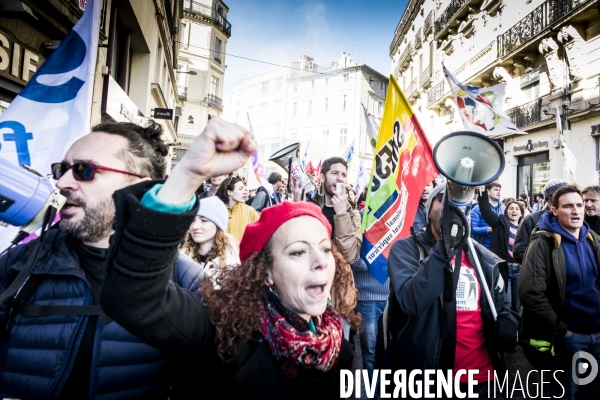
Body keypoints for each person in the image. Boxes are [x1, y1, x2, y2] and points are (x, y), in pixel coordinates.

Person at [98, 118, 360, 397]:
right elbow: (135, 298)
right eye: (297, 251)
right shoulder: (222, 334)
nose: (320, 262)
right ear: (266, 272)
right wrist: (188, 174)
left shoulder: (338, 350)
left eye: (324, 249)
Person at [0, 121, 204, 399]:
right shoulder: (19, 263)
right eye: (61, 170)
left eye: (85, 170)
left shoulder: (185, 281)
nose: (61, 183)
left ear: (140, 186)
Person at [385, 184, 519, 397]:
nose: (453, 206)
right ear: (429, 210)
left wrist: (508, 324)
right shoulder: (406, 249)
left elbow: (501, 305)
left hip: (484, 380)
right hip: (432, 382)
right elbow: (411, 300)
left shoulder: (481, 256)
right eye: (445, 199)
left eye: (460, 201)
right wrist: (444, 247)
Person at [520, 185, 600, 399]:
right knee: (564, 392)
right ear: (554, 210)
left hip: (597, 333)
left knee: (592, 390)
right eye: (567, 206)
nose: (576, 211)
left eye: (579, 205)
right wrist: (562, 329)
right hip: (569, 337)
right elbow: (530, 293)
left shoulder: (593, 240)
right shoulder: (543, 243)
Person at [293, 157, 362, 265]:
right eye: (335, 173)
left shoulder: (351, 213)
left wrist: (341, 214)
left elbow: (350, 256)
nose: (340, 178)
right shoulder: (309, 203)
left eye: (344, 175)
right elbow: (296, 243)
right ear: (322, 177)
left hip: (339, 278)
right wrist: (297, 210)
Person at [477, 190, 524, 312]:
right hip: (504, 269)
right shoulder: (500, 223)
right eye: (511, 208)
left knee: (517, 305)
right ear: (506, 211)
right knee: (505, 304)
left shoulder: (524, 228)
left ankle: (517, 330)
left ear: (521, 213)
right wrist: (482, 194)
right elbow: (486, 211)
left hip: (520, 270)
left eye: (517, 209)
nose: (514, 211)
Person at [183, 196, 240, 281]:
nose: (195, 226)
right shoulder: (183, 257)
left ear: (218, 225)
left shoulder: (231, 262)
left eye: (204, 220)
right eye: (193, 220)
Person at [512, 179, 568, 264]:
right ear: (551, 198)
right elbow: (519, 251)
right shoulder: (531, 220)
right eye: (564, 195)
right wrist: (545, 264)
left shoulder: (574, 218)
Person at [216, 176, 259, 243]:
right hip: (222, 252)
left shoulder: (249, 210)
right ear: (229, 192)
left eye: (244, 188)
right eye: (240, 189)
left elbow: (262, 231)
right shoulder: (217, 211)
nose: (245, 192)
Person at [470, 182, 505, 248]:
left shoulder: (504, 208)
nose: (498, 192)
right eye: (495, 190)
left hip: (499, 247)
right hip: (484, 247)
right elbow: (472, 229)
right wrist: (487, 229)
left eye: (499, 190)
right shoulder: (477, 208)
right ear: (488, 191)